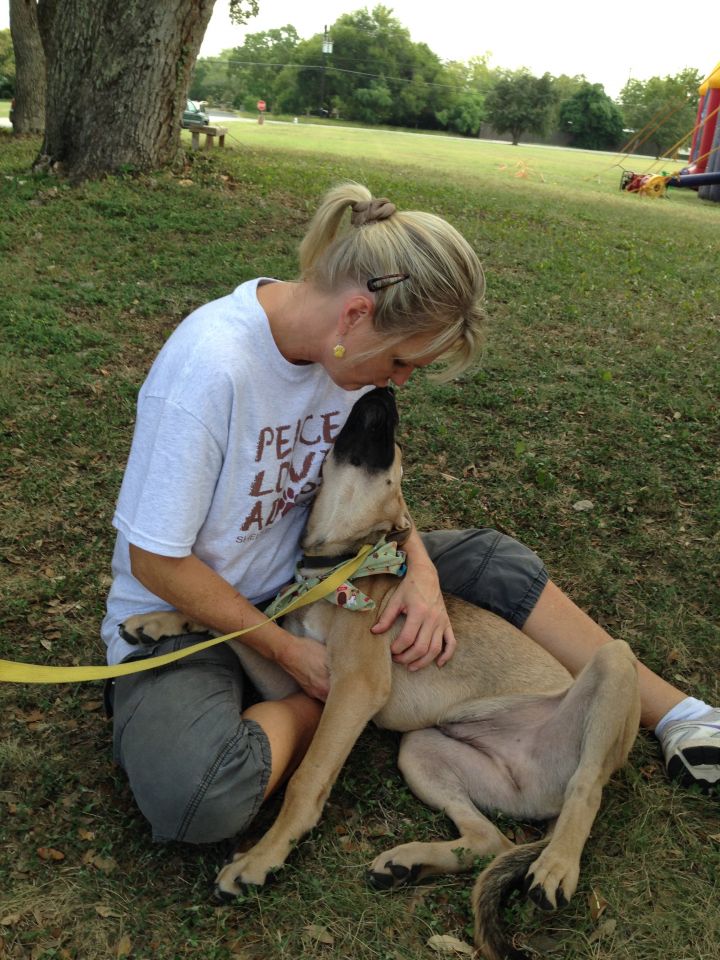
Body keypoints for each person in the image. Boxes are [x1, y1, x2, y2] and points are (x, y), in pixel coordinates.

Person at [102, 182, 717, 847]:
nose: (397, 382)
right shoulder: (210, 370)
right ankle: (330, 697)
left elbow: (368, 493)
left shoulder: (341, 361)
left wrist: (419, 571)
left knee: (491, 563)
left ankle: (682, 715)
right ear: (356, 314)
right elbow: (155, 562)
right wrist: (292, 653)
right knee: (197, 796)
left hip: (324, 574)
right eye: (401, 362)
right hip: (207, 612)